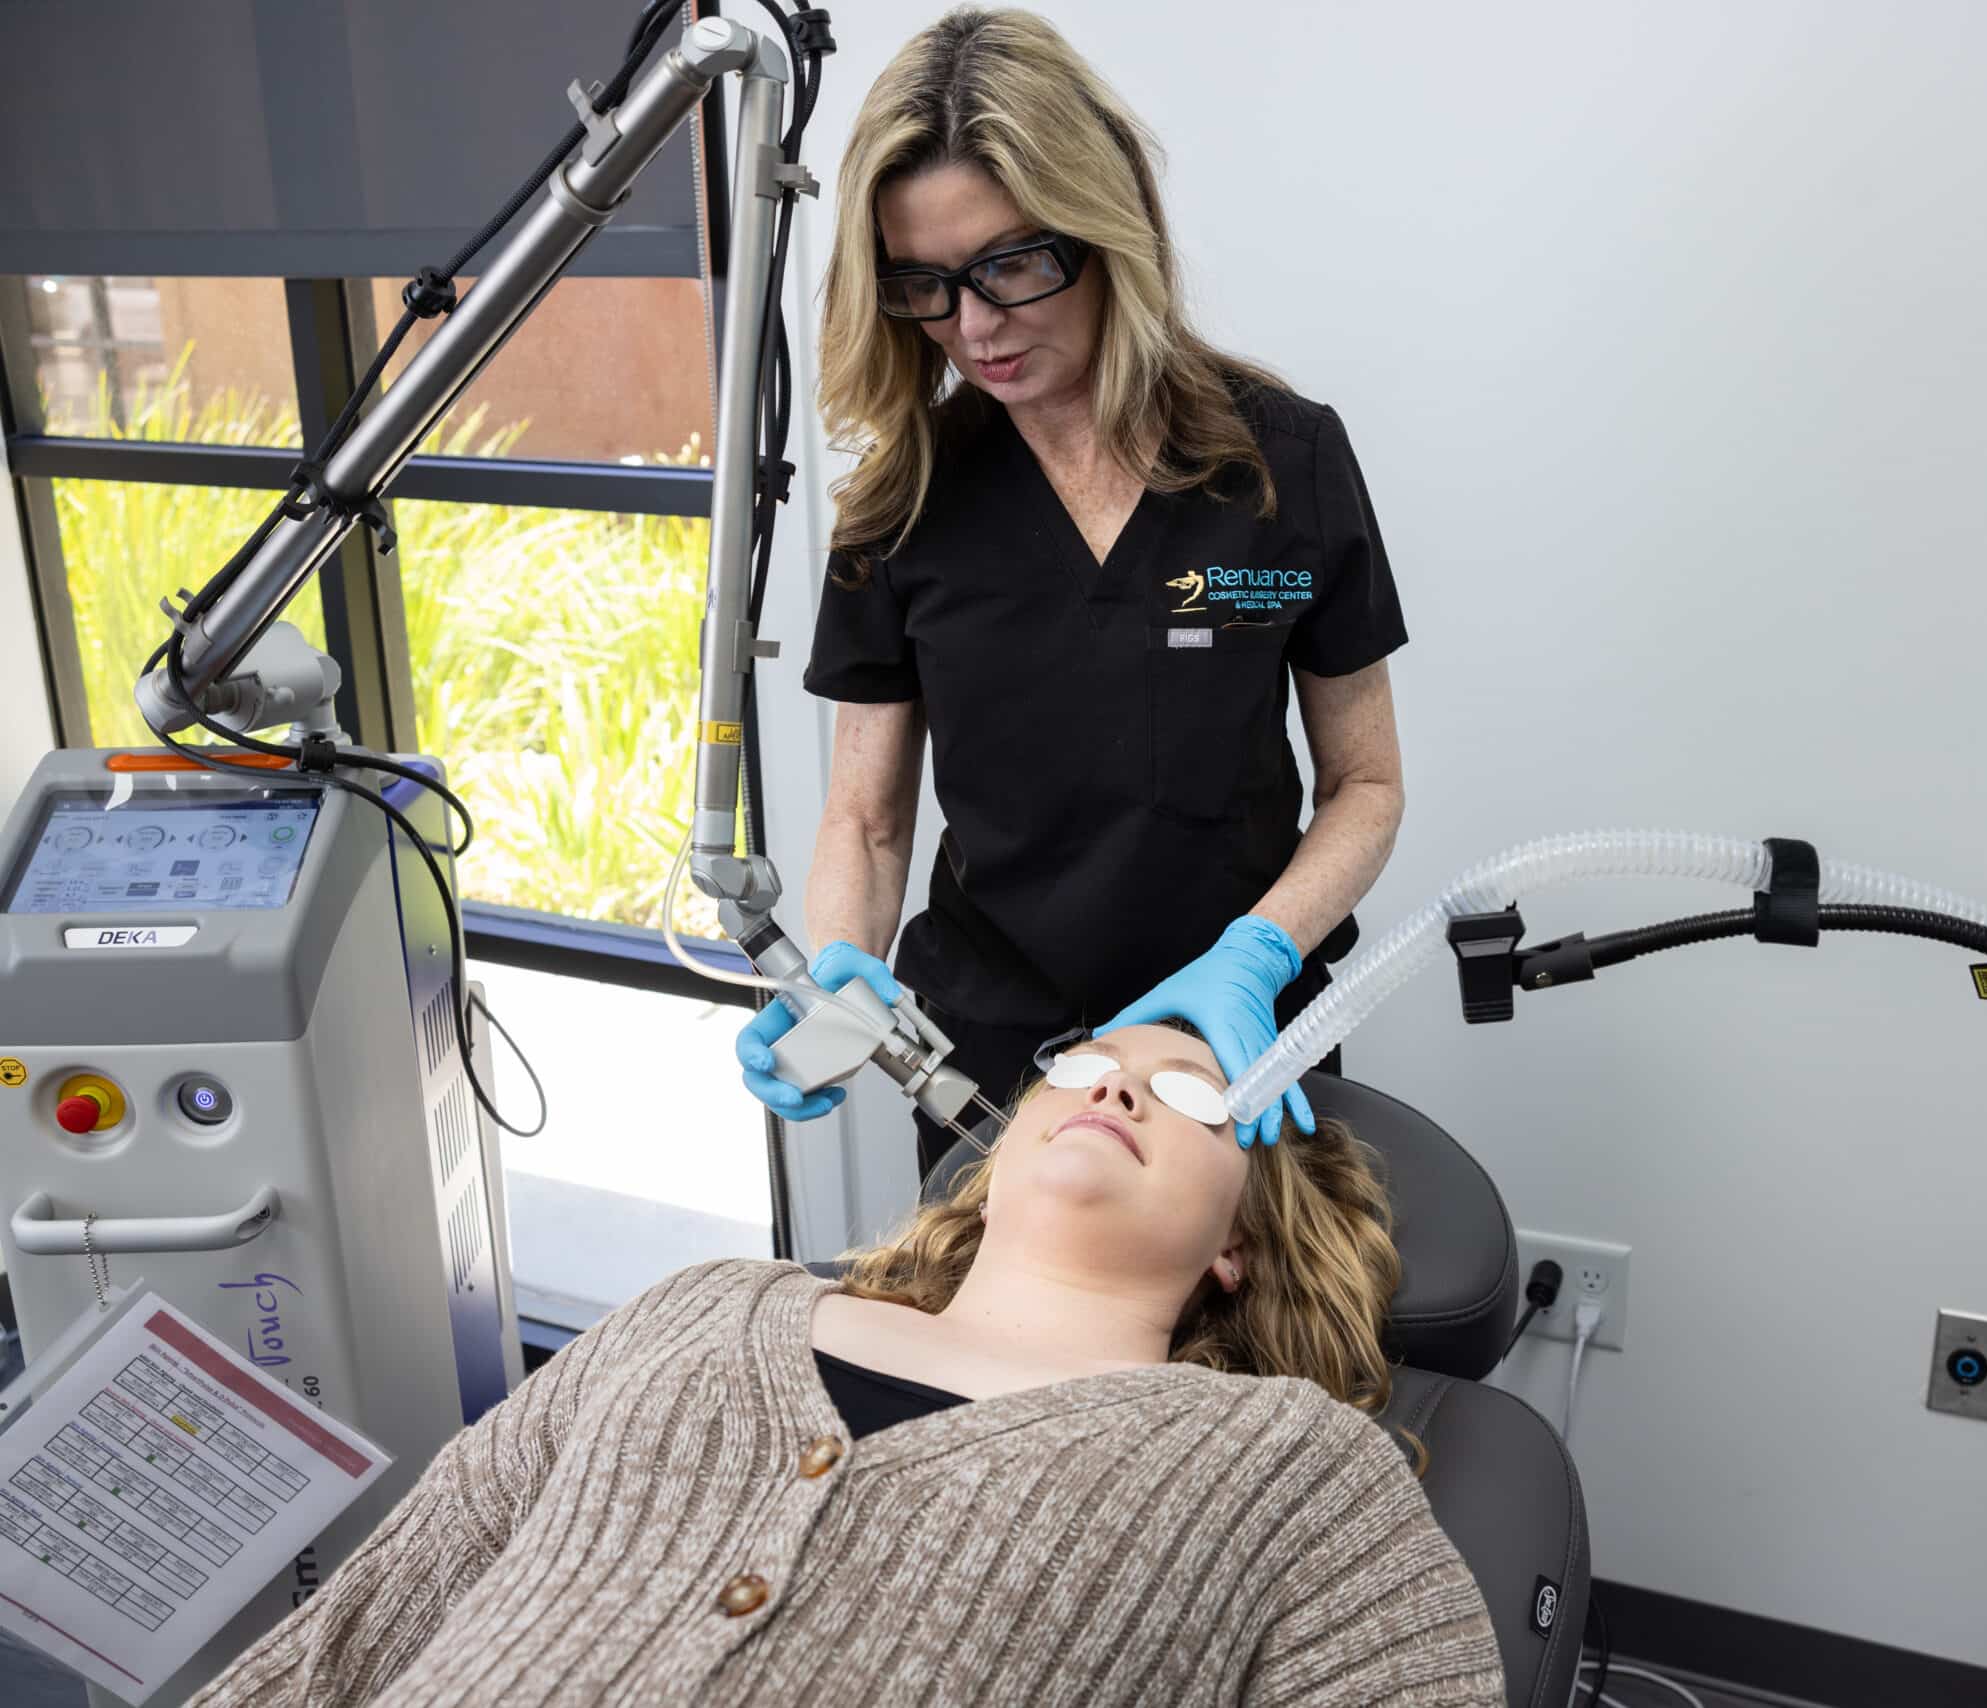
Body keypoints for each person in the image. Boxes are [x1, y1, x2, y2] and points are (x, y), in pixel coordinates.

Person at [190, 1023, 1504, 1707]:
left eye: (1194, 1092)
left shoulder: (1283, 1467)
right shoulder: (707, 1306)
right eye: (1091, 1061)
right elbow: (391, 1600)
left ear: (1239, 1241)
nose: (1117, 1087)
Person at [736, 7, 1409, 1171]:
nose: (975, 328)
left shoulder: (1281, 459)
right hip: (991, 1064)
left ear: (1110, 230)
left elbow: (1365, 783)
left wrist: (1256, 957)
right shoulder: (903, 499)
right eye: (925, 286)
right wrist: (838, 968)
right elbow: (867, 814)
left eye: (1010, 266)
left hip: (1231, 1045)